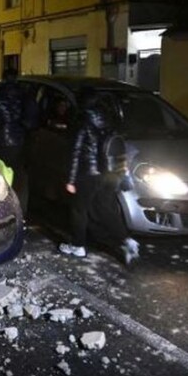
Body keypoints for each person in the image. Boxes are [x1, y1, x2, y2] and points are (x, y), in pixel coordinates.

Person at [60, 91, 140, 265]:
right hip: (110, 173)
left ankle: (78, 246)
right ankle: (127, 240)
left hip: (88, 174)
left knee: (79, 210)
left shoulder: (83, 123)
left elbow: (76, 153)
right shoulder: (109, 121)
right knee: (107, 209)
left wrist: (71, 180)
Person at [0, 67, 37, 217]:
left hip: (3, 144)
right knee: (21, 179)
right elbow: (31, 120)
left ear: (3, 78)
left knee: (3, 178)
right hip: (21, 142)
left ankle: (6, 212)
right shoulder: (24, 96)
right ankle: (21, 214)